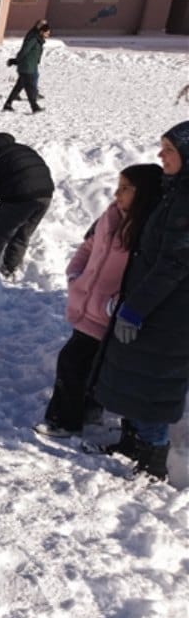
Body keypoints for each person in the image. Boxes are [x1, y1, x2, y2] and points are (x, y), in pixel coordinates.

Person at [33, 164, 162, 438]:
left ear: (144, 193)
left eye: (126, 188)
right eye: (118, 185)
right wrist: (75, 273)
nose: (117, 193)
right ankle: (88, 412)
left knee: (72, 362)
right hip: (89, 303)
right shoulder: (113, 215)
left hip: (111, 313)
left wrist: (119, 304)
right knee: (87, 365)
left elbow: (147, 277)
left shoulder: (148, 230)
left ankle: (64, 421)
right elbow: (90, 245)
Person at [92, 121, 189, 482]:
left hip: (170, 313)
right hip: (152, 303)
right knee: (134, 377)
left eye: (169, 149)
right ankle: (131, 443)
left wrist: (136, 309)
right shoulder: (176, 191)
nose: (161, 155)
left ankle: (153, 463)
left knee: (151, 387)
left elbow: (174, 263)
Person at [0, 133, 55, 278]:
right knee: (23, 234)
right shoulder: (21, 148)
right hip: (45, 194)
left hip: (19, 195)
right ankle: (10, 268)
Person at [3, 22, 49, 113]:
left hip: (30, 66)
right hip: (27, 67)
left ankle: (8, 104)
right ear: (41, 32)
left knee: (19, 86)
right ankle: (34, 106)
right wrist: (16, 60)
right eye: (46, 33)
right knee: (29, 87)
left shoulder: (38, 40)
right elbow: (24, 51)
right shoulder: (33, 39)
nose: (48, 35)